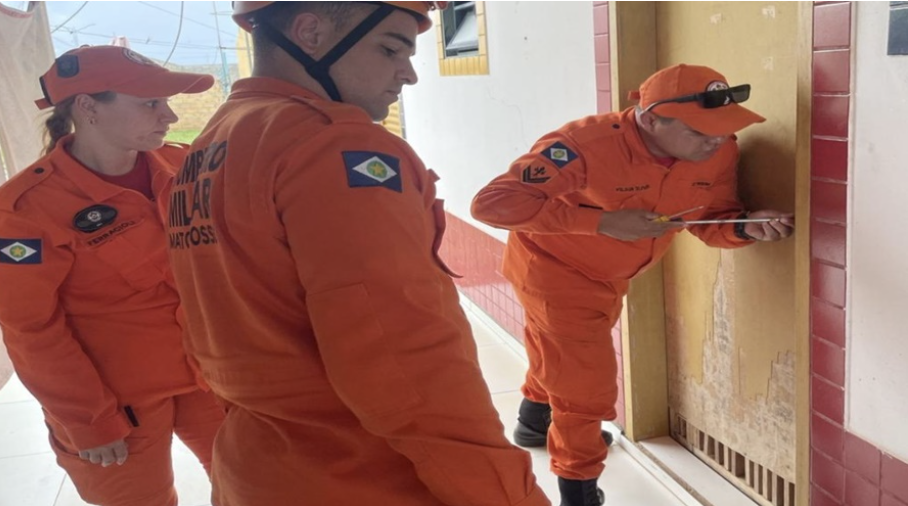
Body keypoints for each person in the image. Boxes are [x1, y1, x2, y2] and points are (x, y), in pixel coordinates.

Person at [165, 3, 550, 506]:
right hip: (360, 473)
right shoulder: (334, 146)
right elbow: (404, 364)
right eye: (390, 49)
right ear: (309, 31)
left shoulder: (213, 143)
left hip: (256, 464)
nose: (408, 74)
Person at [471, 64, 795, 506]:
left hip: (612, 277)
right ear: (651, 118)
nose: (716, 140)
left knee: (562, 358)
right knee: (585, 387)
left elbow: (711, 218)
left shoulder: (719, 152)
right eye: (700, 131)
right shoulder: (581, 146)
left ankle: (533, 421)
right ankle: (578, 489)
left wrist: (746, 226)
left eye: (724, 128)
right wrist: (603, 223)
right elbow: (492, 204)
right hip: (552, 271)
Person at [0, 45, 225, 506]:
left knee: (255, 483)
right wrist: (88, 420)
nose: (169, 115)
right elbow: (31, 329)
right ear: (88, 107)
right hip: (116, 402)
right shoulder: (25, 210)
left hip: (210, 374)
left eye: (166, 102)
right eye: (150, 103)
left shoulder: (185, 168)